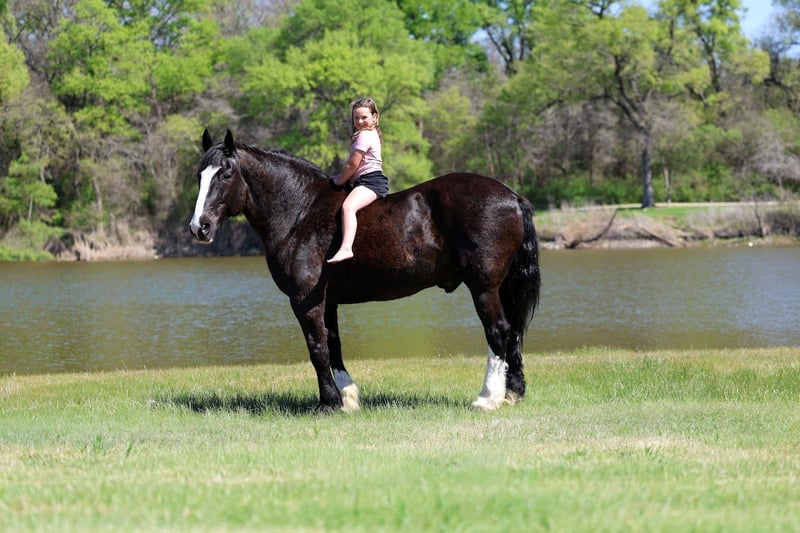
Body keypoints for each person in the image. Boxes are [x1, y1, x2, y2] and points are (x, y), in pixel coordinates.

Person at [327, 97, 389, 263]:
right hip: (364, 181)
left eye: (364, 117)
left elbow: (352, 164)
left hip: (371, 182)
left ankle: (346, 248)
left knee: (348, 207)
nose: (360, 121)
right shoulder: (368, 134)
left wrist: (339, 181)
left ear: (375, 117)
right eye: (356, 118)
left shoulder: (365, 136)